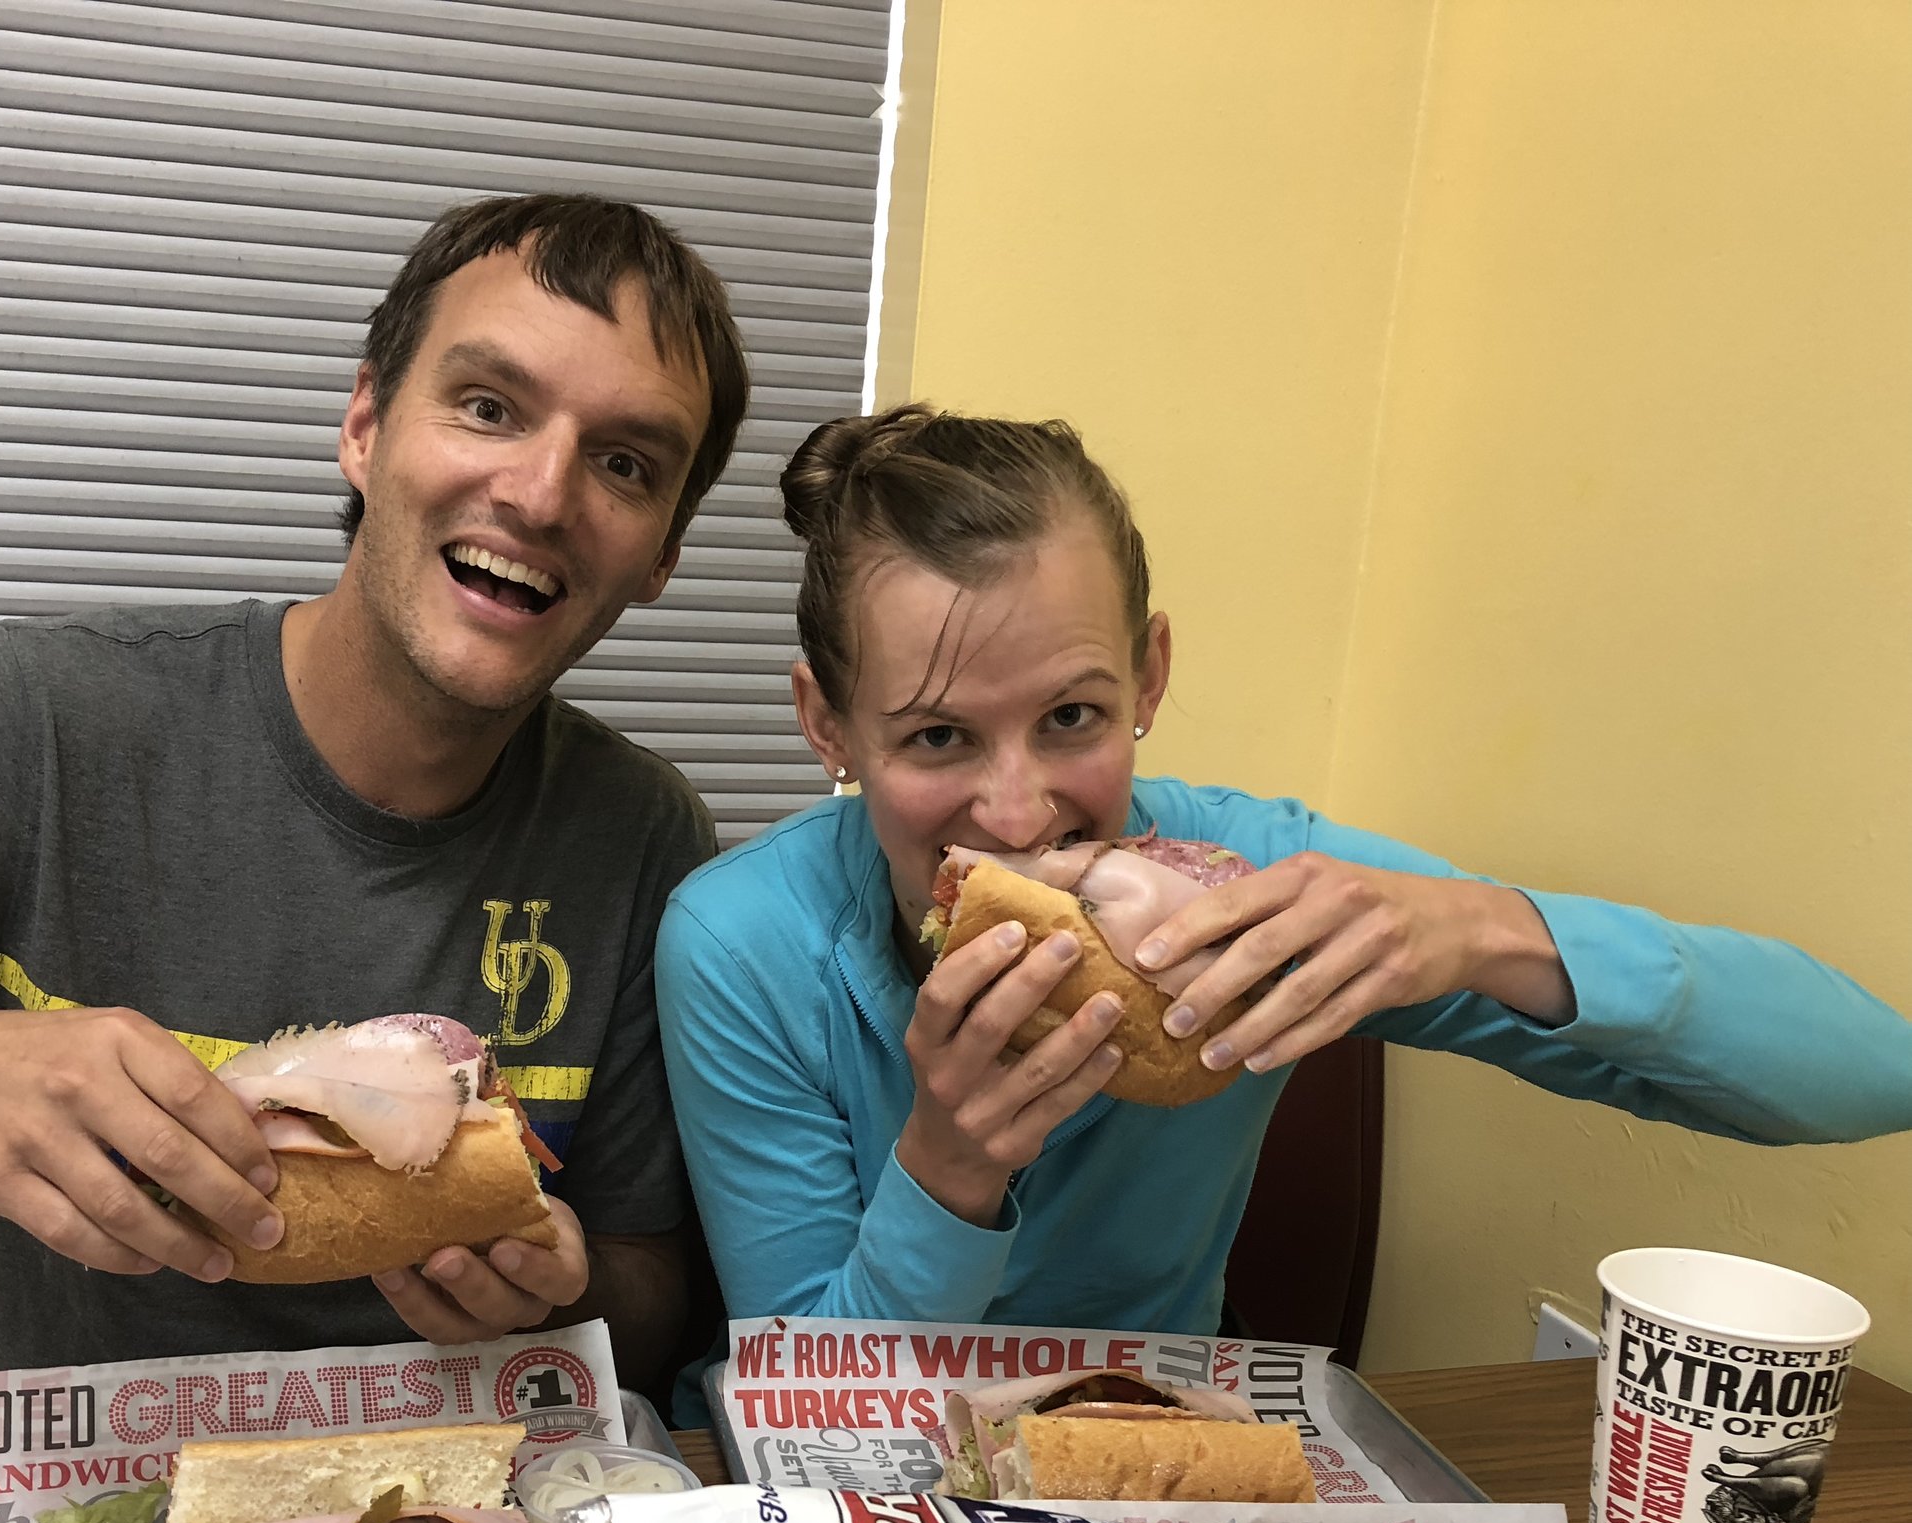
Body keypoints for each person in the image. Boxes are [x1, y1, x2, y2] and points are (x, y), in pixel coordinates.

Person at [0, 193, 750, 1444]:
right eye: (487, 407)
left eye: (625, 464)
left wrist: (562, 1287)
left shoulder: (640, 834)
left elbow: (647, 1305)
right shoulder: (27, 730)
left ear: (660, 556)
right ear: (367, 428)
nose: (543, 493)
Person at [655, 405, 1912, 1417]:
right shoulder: (742, 942)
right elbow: (809, 1407)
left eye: (1072, 717)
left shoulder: (1253, 878)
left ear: (1148, 674)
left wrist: (1482, 930)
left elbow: (1870, 1075)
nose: (1022, 810)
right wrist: (949, 1170)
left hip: (1160, 1463)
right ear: (828, 724)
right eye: (936, 736)